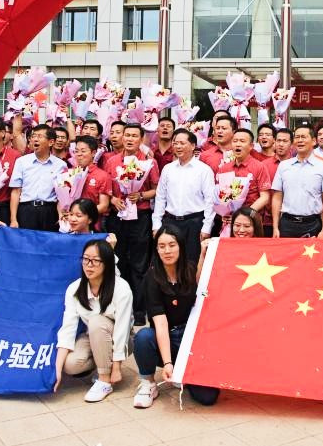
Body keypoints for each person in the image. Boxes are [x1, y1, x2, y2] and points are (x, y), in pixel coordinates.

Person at [132, 227, 220, 408]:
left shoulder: (188, 269)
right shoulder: (152, 277)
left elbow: (200, 284)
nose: (167, 251)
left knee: (208, 397)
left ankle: (185, 375)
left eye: (172, 245)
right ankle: (148, 383)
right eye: (162, 246)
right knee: (143, 337)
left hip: (189, 339)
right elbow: (161, 323)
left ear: (180, 246)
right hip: (165, 338)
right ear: (156, 249)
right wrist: (168, 363)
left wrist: (204, 255)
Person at [55, 239, 133, 402]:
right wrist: (57, 370)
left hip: (122, 338)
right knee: (71, 364)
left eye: (96, 261)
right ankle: (102, 365)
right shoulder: (74, 289)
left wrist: (117, 367)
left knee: (97, 322)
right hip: (92, 335)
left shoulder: (121, 288)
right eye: (85, 259)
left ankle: (104, 380)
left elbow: (122, 328)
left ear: (107, 263)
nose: (89, 265)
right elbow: (67, 328)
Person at [105, 123, 160, 326]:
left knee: (139, 264)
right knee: (119, 262)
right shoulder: (111, 161)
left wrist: (141, 195)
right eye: (126, 135)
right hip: (118, 216)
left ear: (141, 139)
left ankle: (138, 309)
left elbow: (156, 188)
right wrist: (113, 200)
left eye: (134, 136)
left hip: (141, 216)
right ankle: (119, 307)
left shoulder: (149, 163)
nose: (129, 139)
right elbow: (107, 189)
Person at [153, 129, 216, 266]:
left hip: (194, 223)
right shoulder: (168, 169)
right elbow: (160, 197)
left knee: (191, 263)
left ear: (193, 146)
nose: (178, 147)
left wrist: (207, 227)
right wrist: (156, 223)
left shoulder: (204, 170)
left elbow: (210, 201)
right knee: (169, 262)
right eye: (175, 143)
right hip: (170, 222)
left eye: (182, 143)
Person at [272, 124, 323, 239]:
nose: (299, 140)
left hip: (313, 223)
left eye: (303, 137)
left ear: (314, 141)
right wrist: (275, 227)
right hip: (287, 223)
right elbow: (277, 198)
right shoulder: (284, 166)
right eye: (297, 137)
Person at [9, 124, 68, 231]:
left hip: (50, 211)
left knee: (48, 245)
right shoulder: (22, 162)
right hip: (26, 210)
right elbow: (16, 191)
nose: (35, 139)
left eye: (40, 136)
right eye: (33, 136)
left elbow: (61, 195)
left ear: (51, 142)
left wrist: (61, 215)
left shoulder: (61, 165)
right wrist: (13, 219)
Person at [215, 129, 272, 228]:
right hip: (229, 223)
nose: (237, 144)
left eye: (242, 141)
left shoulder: (259, 167)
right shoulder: (224, 168)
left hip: (251, 219)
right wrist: (223, 213)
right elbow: (221, 196)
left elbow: (265, 197)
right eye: (235, 141)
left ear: (251, 146)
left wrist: (245, 214)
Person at [71, 136, 112, 221]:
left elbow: (103, 206)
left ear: (93, 153)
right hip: (70, 222)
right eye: (76, 151)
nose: (79, 154)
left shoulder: (102, 176)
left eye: (83, 151)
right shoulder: (69, 174)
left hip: (92, 224)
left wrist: (82, 215)